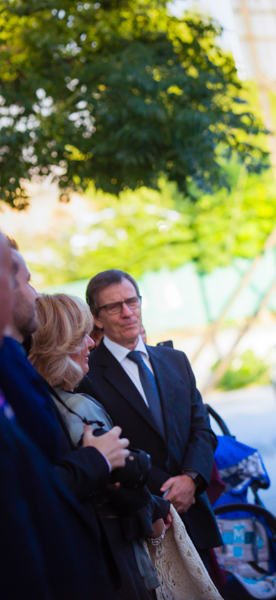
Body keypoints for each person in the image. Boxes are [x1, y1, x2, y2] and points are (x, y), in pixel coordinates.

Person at [78, 270, 223, 578]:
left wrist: (190, 479)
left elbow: (201, 429)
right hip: (142, 518)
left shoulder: (176, 361)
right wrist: (168, 491)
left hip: (194, 511)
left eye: (132, 301)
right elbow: (109, 448)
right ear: (97, 318)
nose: (127, 312)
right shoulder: (87, 378)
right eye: (114, 307)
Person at [29, 293, 172, 600]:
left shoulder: (35, 408)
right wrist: (152, 510)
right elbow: (120, 487)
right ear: (60, 344)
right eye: (82, 336)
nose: (92, 343)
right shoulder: (78, 409)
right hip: (114, 565)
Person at [0, 232, 117, 600]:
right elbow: (31, 489)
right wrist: (97, 461)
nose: (35, 295)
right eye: (24, 280)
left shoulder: (12, 363)